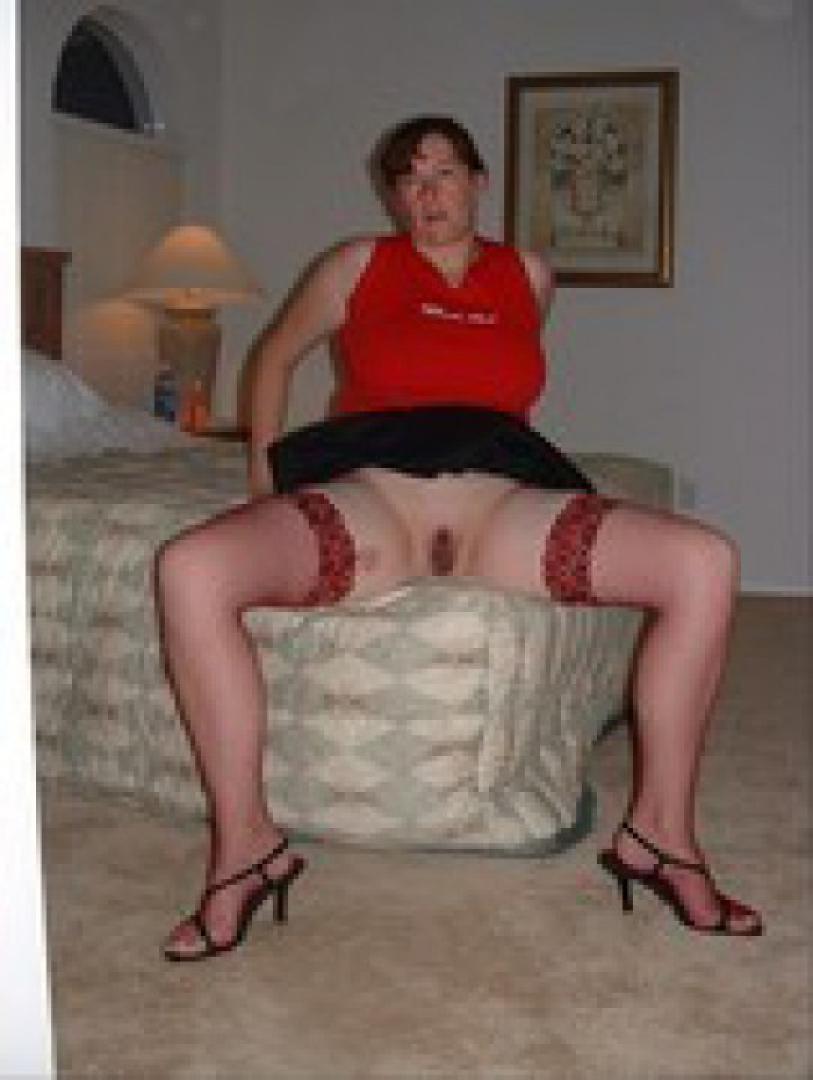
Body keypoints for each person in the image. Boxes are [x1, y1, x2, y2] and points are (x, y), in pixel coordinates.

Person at [157, 115, 763, 961]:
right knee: (189, 567)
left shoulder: (530, 276)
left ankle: (660, 836)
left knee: (703, 562)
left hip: (498, 509)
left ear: (478, 181)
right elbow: (276, 357)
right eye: (408, 178)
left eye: (442, 173)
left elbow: (498, 387)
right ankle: (245, 850)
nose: (426, 193)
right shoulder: (358, 264)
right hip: (377, 500)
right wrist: (264, 472)